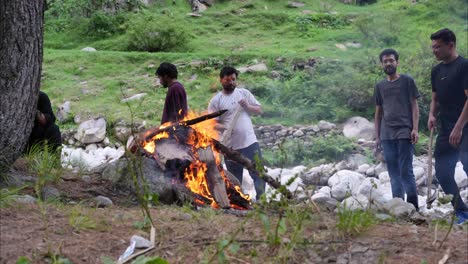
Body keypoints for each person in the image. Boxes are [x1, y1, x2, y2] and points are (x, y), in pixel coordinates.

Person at [428, 28, 468, 224]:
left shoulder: (464, 66)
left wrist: (459, 127)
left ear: (450, 45)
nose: (434, 50)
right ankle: (461, 211)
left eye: (438, 47)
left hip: (466, 126)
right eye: (433, 47)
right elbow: (435, 98)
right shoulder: (436, 70)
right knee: (443, 173)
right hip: (445, 127)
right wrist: (431, 115)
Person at [208, 66, 265, 201]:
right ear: (221, 80)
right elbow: (212, 123)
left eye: (233, 79)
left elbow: (259, 110)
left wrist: (247, 107)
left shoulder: (244, 93)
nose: (231, 82)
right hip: (230, 147)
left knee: (258, 173)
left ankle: (262, 201)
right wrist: (226, 127)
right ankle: (239, 203)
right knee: (234, 179)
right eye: (228, 79)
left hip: (250, 143)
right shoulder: (216, 100)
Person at [374, 48, 420, 210]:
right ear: (382, 64)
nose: (388, 63)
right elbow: (378, 112)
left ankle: (414, 208)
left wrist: (415, 129)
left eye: (391, 60)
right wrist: (377, 135)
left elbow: (415, 106)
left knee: (406, 170)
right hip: (386, 134)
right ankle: (399, 207)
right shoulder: (380, 86)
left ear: (397, 62)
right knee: (393, 172)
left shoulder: (407, 81)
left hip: (404, 131)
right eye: (385, 61)